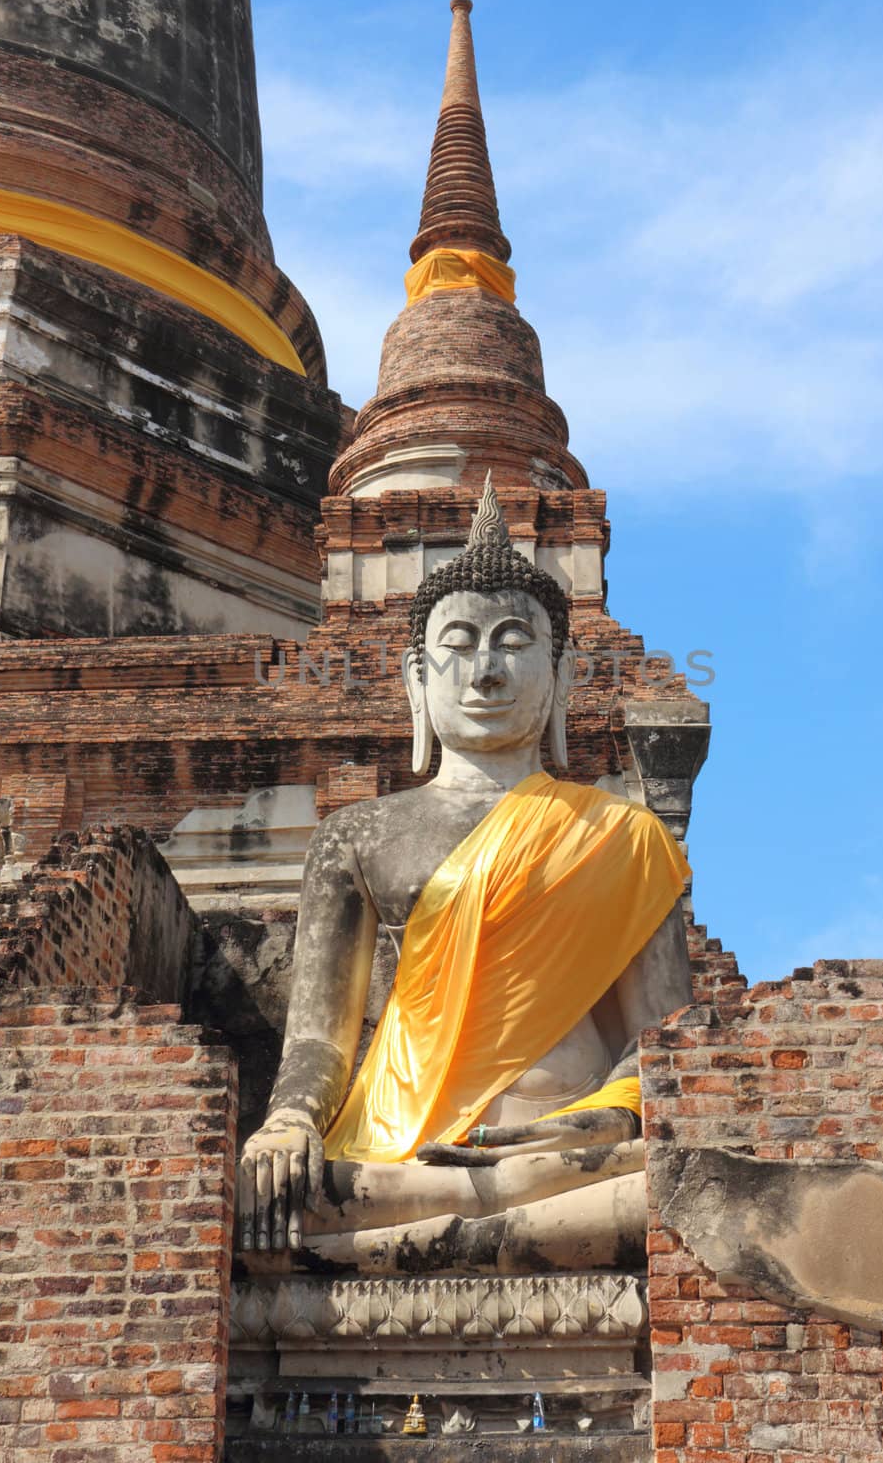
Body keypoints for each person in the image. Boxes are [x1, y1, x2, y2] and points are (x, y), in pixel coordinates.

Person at [238, 476, 693, 1271]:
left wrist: (603, 1122)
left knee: (674, 1180)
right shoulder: (358, 834)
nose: (485, 672)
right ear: (417, 680)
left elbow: (663, 1048)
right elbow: (319, 1039)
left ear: (561, 678)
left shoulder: (627, 835)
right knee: (274, 1201)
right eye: (458, 645)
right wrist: (288, 1122)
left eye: (514, 643)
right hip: (394, 1149)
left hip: (566, 1150)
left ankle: (478, 1206)